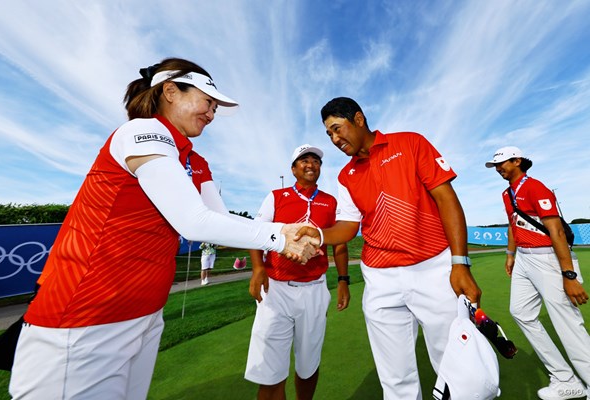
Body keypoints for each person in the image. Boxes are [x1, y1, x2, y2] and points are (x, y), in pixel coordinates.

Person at [8, 58, 318, 400]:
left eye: (215, 107)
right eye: (208, 102)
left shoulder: (195, 161)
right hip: (87, 315)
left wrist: (282, 232)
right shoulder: (143, 131)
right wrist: (280, 237)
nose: (212, 114)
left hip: (145, 313)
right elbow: (193, 221)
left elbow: (219, 222)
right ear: (170, 91)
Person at [296, 97, 482, 399]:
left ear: (358, 119)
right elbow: (348, 226)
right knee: (395, 381)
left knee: (456, 369)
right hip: (380, 280)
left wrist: (460, 262)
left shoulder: (411, 143)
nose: (334, 139)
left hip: (433, 268)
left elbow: (447, 199)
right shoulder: (346, 176)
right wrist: (317, 234)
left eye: (337, 129)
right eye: (329, 134)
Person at [244, 144, 350, 400]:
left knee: (308, 366)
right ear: (293, 169)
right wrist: (258, 267)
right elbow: (256, 234)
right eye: (304, 160)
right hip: (277, 290)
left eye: (316, 160)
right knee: (270, 373)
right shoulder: (276, 196)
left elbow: (340, 242)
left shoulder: (330, 200)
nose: (311, 164)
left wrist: (344, 280)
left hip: (314, 289)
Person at [485, 146, 590, 400]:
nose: (498, 168)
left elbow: (556, 232)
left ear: (517, 161)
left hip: (548, 259)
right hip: (524, 258)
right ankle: (565, 379)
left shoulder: (535, 187)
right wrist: (510, 255)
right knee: (521, 312)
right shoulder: (506, 193)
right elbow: (513, 225)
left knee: (567, 324)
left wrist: (569, 275)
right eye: (496, 165)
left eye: (502, 163)